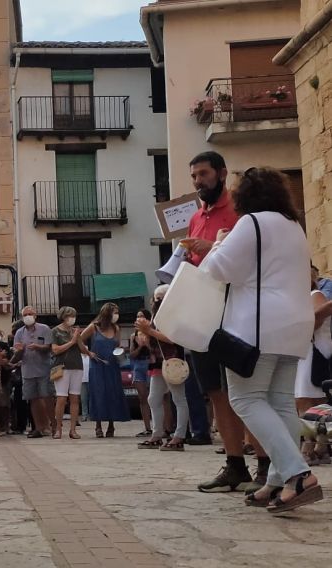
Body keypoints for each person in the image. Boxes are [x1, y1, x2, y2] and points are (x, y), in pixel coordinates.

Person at [205, 167, 322, 513]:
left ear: (245, 197)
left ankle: (298, 474)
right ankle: (276, 480)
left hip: (258, 328)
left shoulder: (251, 224)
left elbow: (217, 270)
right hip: (295, 324)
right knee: (281, 402)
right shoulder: (293, 227)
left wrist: (218, 244)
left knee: (246, 399)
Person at [182, 151, 259, 493]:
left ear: (222, 173)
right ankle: (235, 465)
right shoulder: (196, 216)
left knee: (243, 389)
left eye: (203, 174)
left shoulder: (241, 212)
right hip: (203, 310)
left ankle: (266, 462)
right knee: (214, 390)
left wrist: (210, 248)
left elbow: (246, 258)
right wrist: (191, 254)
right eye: (194, 176)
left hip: (234, 309)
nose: (198, 181)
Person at [134, 290, 189, 451]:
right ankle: (157, 434)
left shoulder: (173, 315)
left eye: (159, 298)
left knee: (179, 398)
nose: (155, 301)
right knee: (153, 398)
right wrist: (145, 336)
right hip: (158, 362)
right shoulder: (156, 317)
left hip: (172, 361)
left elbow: (171, 338)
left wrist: (149, 331)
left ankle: (179, 436)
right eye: (155, 298)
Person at [78, 303, 130, 437]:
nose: (116, 315)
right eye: (114, 312)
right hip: (97, 366)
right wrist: (89, 353)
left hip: (112, 365)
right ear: (107, 313)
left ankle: (111, 425)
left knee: (112, 393)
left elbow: (118, 345)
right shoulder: (94, 327)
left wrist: (121, 352)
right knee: (98, 393)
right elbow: (78, 340)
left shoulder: (116, 328)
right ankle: (98, 426)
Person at [12, 306, 54, 438]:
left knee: (47, 397)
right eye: (25, 314)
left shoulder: (45, 329)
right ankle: (38, 427)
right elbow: (16, 353)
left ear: (35, 316)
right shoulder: (19, 333)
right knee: (32, 399)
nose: (28, 316)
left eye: (30, 314)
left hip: (43, 369)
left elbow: (49, 347)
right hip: (27, 370)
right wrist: (19, 350)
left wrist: (38, 347)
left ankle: (53, 425)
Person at [296, 270, 332, 416]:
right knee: (303, 397)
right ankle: (311, 436)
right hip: (305, 352)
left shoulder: (314, 295)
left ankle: (318, 434)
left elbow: (317, 319)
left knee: (315, 397)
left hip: (315, 351)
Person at [51, 307, 85, 440]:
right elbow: (55, 350)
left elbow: (82, 349)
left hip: (77, 366)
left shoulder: (74, 331)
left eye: (74, 315)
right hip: (60, 367)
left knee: (75, 398)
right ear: (63, 316)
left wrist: (78, 338)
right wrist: (71, 342)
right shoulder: (55, 331)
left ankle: (73, 429)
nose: (72, 318)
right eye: (70, 315)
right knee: (61, 398)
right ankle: (58, 429)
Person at [129, 309, 154, 438]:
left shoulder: (152, 333)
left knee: (154, 397)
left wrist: (147, 344)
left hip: (150, 364)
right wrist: (140, 346)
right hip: (138, 365)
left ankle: (159, 426)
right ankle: (147, 427)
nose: (139, 318)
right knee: (142, 397)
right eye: (138, 316)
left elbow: (155, 352)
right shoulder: (134, 336)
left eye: (142, 316)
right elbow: (131, 355)